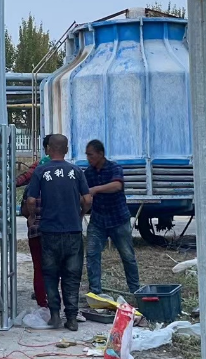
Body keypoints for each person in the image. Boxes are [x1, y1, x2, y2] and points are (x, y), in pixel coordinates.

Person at [26, 134, 91, 331]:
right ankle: (71, 319)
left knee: (50, 274)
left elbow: (30, 200)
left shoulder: (41, 171)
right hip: (73, 232)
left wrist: (31, 216)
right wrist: (80, 214)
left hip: (49, 232)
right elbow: (87, 199)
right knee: (72, 276)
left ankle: (54, 316)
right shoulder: (76, 171)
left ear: (48, 149)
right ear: (66, 149)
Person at [84, 139, 140, 296]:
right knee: (92, 254)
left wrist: (96, 189)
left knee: (127, 256)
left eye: (91, 155)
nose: (88, 158)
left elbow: (117, 185)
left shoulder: (114, 168)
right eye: (87, 155)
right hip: (98, 220)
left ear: (101, 154)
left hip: (118, 219)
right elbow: (84, 193)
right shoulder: (88, 173)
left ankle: (135, 290)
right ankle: (95, 291)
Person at [17, 135, 52, 309]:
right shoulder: (68, 171)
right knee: (55, 267)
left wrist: (31, 217)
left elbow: (27, 202)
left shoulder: (38, 169)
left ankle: (42, 302)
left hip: (37, 228)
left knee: (39, 267)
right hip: (58, 229)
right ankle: (53, 301)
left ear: (46, 148)